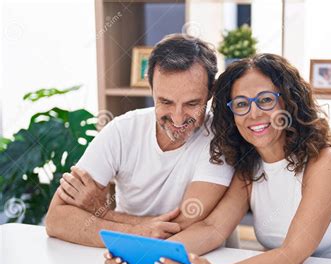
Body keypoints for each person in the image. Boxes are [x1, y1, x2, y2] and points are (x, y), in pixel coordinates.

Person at [139, 53, 331, 264]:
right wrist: (144, 258)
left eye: (265, 100)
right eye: (241, 104)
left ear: (288, 102)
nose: (254, 114)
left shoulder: (326, 163)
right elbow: (213, 228)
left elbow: (291, 254)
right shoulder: (248, 166)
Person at [45, 34, 234, 250]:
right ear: (150, 88)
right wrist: (137, 233)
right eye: (165, 102)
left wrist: (104, 214)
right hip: (125, 257)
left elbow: (181, 229)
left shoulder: (219, 139)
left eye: (192, 103)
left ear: (210, 93)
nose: (178, 118)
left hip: (196, 260)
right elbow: (57, 219)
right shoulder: (122, 130)